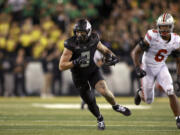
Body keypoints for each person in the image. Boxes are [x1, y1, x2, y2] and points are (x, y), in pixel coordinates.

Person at [59, 19, 131, 130]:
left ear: (88, 32)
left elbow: (104, 50)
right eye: (77, 32)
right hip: (79, 76)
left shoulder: (94, 38)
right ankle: (100, 119)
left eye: (82, 32)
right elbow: (62, 66)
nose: (79, 34)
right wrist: (75, 62)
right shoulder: (70, 44)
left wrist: (113, 56)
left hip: (92, 70)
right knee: (90, 101)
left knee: (104, 91)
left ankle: (116, 106)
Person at [131, 13, 180, 129]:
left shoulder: (176, 40)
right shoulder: (152, 35)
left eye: (166, 26)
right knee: (148, 100)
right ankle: (140, 93)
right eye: (161, 26)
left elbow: (179, 60)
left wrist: (178, 77)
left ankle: (178, 118)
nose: (163, 29)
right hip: (147, 67)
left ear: (171, 26)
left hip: (161, 67)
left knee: (170, 90)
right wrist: (138, 68)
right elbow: (135, 52)